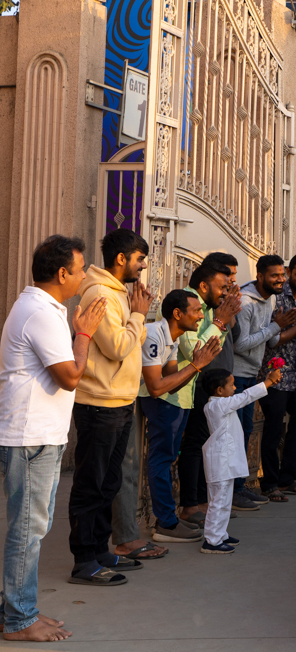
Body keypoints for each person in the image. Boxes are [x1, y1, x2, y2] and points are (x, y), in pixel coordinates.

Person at [0, 236, 106, 640]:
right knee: (27, 532)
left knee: (31, 529)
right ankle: (19, 620)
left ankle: (18, 609)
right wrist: (85, 334)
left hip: (39, 435)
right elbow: (70, 377)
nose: (83, 278)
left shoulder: (42, 308)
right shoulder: (40, 313)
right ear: (62, 273)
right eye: (80, 270)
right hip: (31, 437)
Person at [67, 228, 152, 586]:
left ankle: (100, 551)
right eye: (140, 259)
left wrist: (136, 318)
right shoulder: (101, 293)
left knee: (108, 482)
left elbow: (131, 342)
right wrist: (139, 316)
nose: (143, 266)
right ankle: (84, 561)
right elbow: (118, 346)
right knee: (91, 484)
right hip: (99, 405)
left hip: (119, 402)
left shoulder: (117, 293)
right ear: (121, 258)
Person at [140, 290, 220, 543]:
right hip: (154, 401)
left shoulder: (172, 338)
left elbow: (173, 383)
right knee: (161, 459)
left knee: (167, 458)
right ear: (177, 313)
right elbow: (156, 387)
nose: (200, 317)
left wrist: (196, 365)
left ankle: (168, 519)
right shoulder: (153, 334)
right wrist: (195, 365)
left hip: (165, 398)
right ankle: (166, 523)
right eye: (196, 311)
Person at [174, 261, 240, 526]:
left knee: (205, 445)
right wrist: (220, 321)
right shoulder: (189, 304)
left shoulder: (211, 307)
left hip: (203, 384)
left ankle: (202, 501)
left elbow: (220, 343)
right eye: (222, 287)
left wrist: (224, 319)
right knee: (192, 446)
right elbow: (197, 352)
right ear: (203, 285)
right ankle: (189, 505)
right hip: (186, 385)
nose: (225, 292)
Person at [232, 254, 296, 508]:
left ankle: (240, 487)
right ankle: (233, 492)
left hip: (252, 374)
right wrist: (275, 326)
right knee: (236, 433)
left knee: (246, 431)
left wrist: (282, 325)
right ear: (260, 276)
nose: (281, 280)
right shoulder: (246, 302)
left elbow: (271, 340)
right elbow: (241, 344)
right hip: (237, 375)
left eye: (282, 275)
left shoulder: (270, 299)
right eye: (275, 275)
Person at [199, 366, 282, 554]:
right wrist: (268, 382)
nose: (235, 388)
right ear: (220, 390)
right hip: (220, 463)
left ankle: (220, 535)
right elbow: (245, 397)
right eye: (232, 385)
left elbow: (241, 397)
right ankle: (212, 540)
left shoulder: (222, 404)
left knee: (224, 500)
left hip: (225, 463)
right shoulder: (217, 405)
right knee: (218, 501)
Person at [259, 254, 296, 500]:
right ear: (289, 272)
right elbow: (274, 340)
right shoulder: (276, 297)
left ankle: (287, 478)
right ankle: (270, 483)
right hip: (274, 370)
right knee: (273, 429)